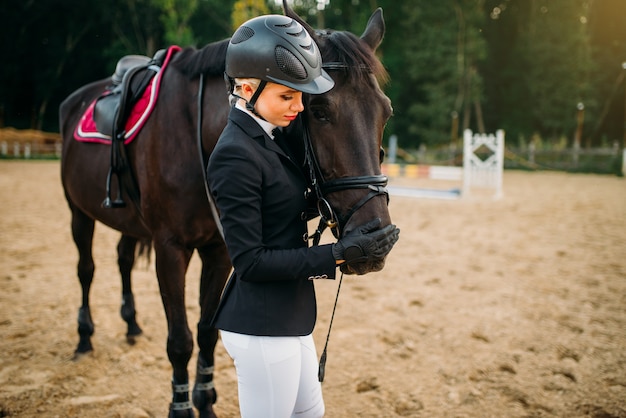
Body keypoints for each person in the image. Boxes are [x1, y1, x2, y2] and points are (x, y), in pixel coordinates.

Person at [207, 14, 400, 418]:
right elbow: (250, 262)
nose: (298, 107)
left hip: (290, 317)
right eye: (286, 97)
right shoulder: (234, 154)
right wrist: (338, 254)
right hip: (259, 326)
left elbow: (282, 207)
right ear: (246, 87)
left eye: (300, 97)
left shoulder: (270, 141)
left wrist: (359, 218)